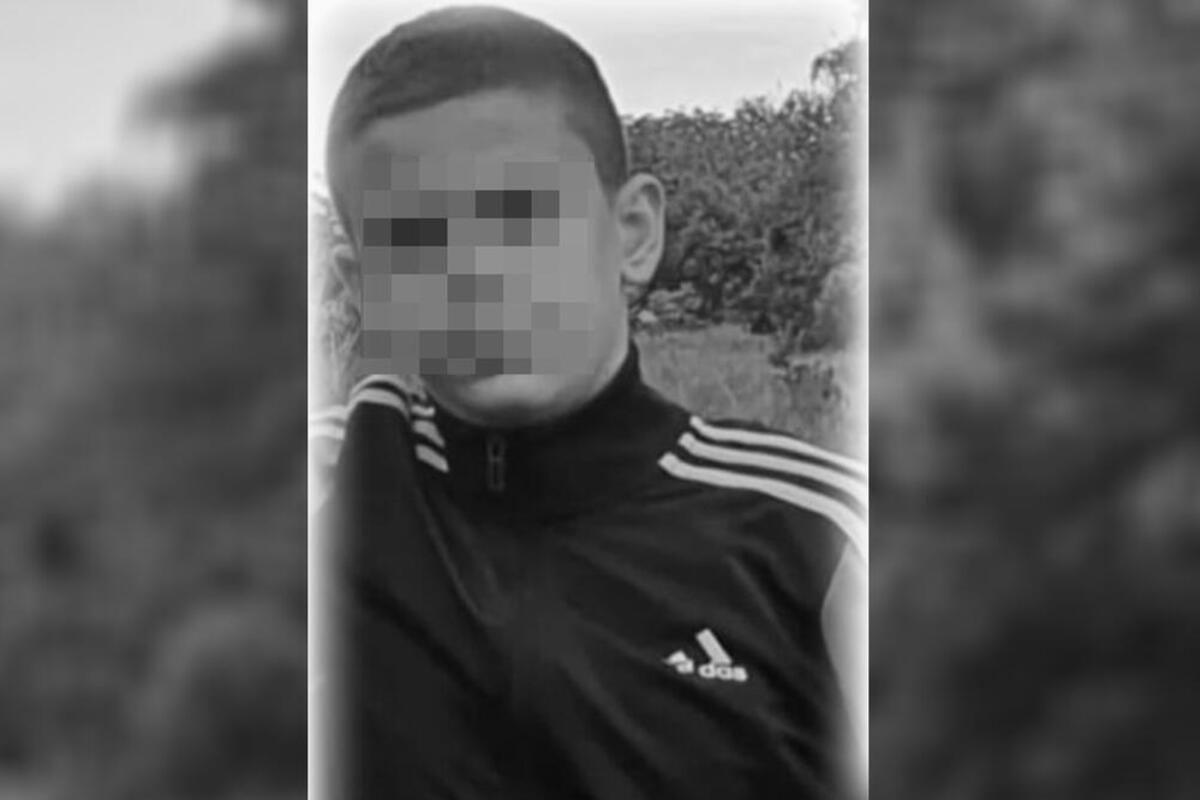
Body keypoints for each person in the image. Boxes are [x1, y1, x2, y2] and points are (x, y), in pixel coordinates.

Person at [311, 6, 865, 799]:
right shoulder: (324, 493)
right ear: (366, 286)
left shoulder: (816, 537)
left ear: (633, 233)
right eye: (416, 237)